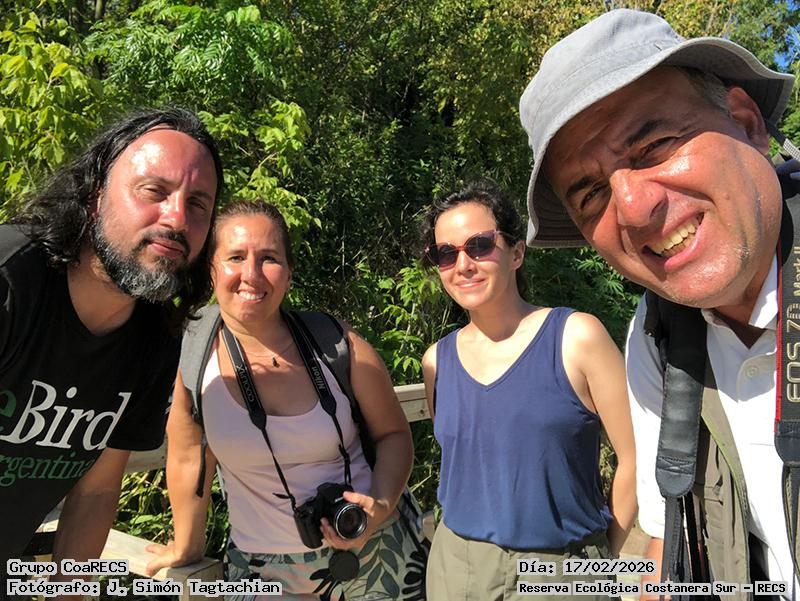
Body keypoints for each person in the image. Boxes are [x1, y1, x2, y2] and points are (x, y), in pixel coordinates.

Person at [519, 7, 800, 595]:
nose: (633, 208)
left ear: (747, 124)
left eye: (654, 145)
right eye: (592, 194)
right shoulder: (658, 331)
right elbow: (663, 542)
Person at [145, 199, 428, 601]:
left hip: (376, 550)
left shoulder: (334, 343)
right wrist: (187, 545)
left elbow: (393, 435)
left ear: (289, 273)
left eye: (269, 258)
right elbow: (188, 456)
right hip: (262, 570)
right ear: (211, 269)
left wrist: (379, 505)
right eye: (236, 257)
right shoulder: (193, 355)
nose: (251, 274)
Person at [0, 108, 222, 586]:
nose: (177, 218)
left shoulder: (155, 336)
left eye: (198, 204)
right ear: (93, 195)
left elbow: (97, 492)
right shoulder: (11, 283)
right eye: (154, 191)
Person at [419, 180, 636, 601]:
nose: (463, 264)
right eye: (446, 254)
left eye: (479, 245)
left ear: (516, 252)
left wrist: (601, 559)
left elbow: (633, 457)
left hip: (562, 568)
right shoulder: (436, 362)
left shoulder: (576, 337)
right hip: (457, 567)